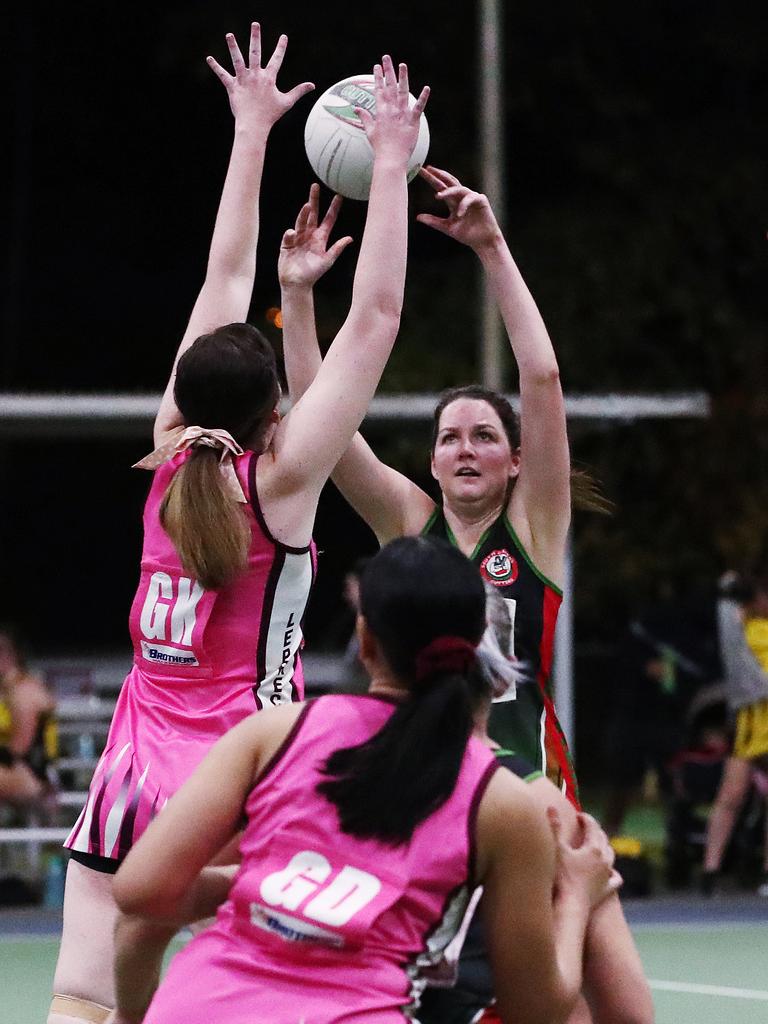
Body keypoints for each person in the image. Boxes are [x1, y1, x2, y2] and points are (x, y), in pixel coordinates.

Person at [49, 30, 429, 1024]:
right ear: (276, 413)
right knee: (266, 994)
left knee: (86, 998)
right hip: (248, 768)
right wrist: (390, 164)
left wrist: (251, 132)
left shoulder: (167, 453)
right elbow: (377, 317)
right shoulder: (285, 478)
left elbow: (221, 282)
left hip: (136, 766)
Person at [106, 538, 618, 1024]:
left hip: (199, 1007)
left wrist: (278, 895)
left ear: (365, 638)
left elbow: (140, 892)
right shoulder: (503, 801)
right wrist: (575, 896)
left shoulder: (278, 730)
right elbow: (536, 1012)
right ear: (479, 646)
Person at [280, 166, 593, 805]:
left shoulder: (534, 526)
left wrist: (491, 247)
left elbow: (541, 378)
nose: (466, 449)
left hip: (525, 785)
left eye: (484, 436)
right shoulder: (410, 523)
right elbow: (320, 420)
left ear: (515, 461)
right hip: (429, 785)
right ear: (431, 462)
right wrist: (298, 296)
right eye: (450, 438)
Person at [418, 588, 653, 1024]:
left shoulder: (320, 770)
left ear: (372, 652)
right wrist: (577, 900)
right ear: (504, 679)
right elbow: (628, 1011)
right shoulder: (535, 804)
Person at [701, 570, 768, 895]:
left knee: (732, 799)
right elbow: (742, 670)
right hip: (752, 725)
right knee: (731, 797)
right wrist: (729, 599)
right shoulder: (747, 631)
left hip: (755, 720)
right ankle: (710, 871)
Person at [0, 625, 57, 809]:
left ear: (13, 654)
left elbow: (20, 748)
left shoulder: (24, 691)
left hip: (33, 777)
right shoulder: (9, 690)